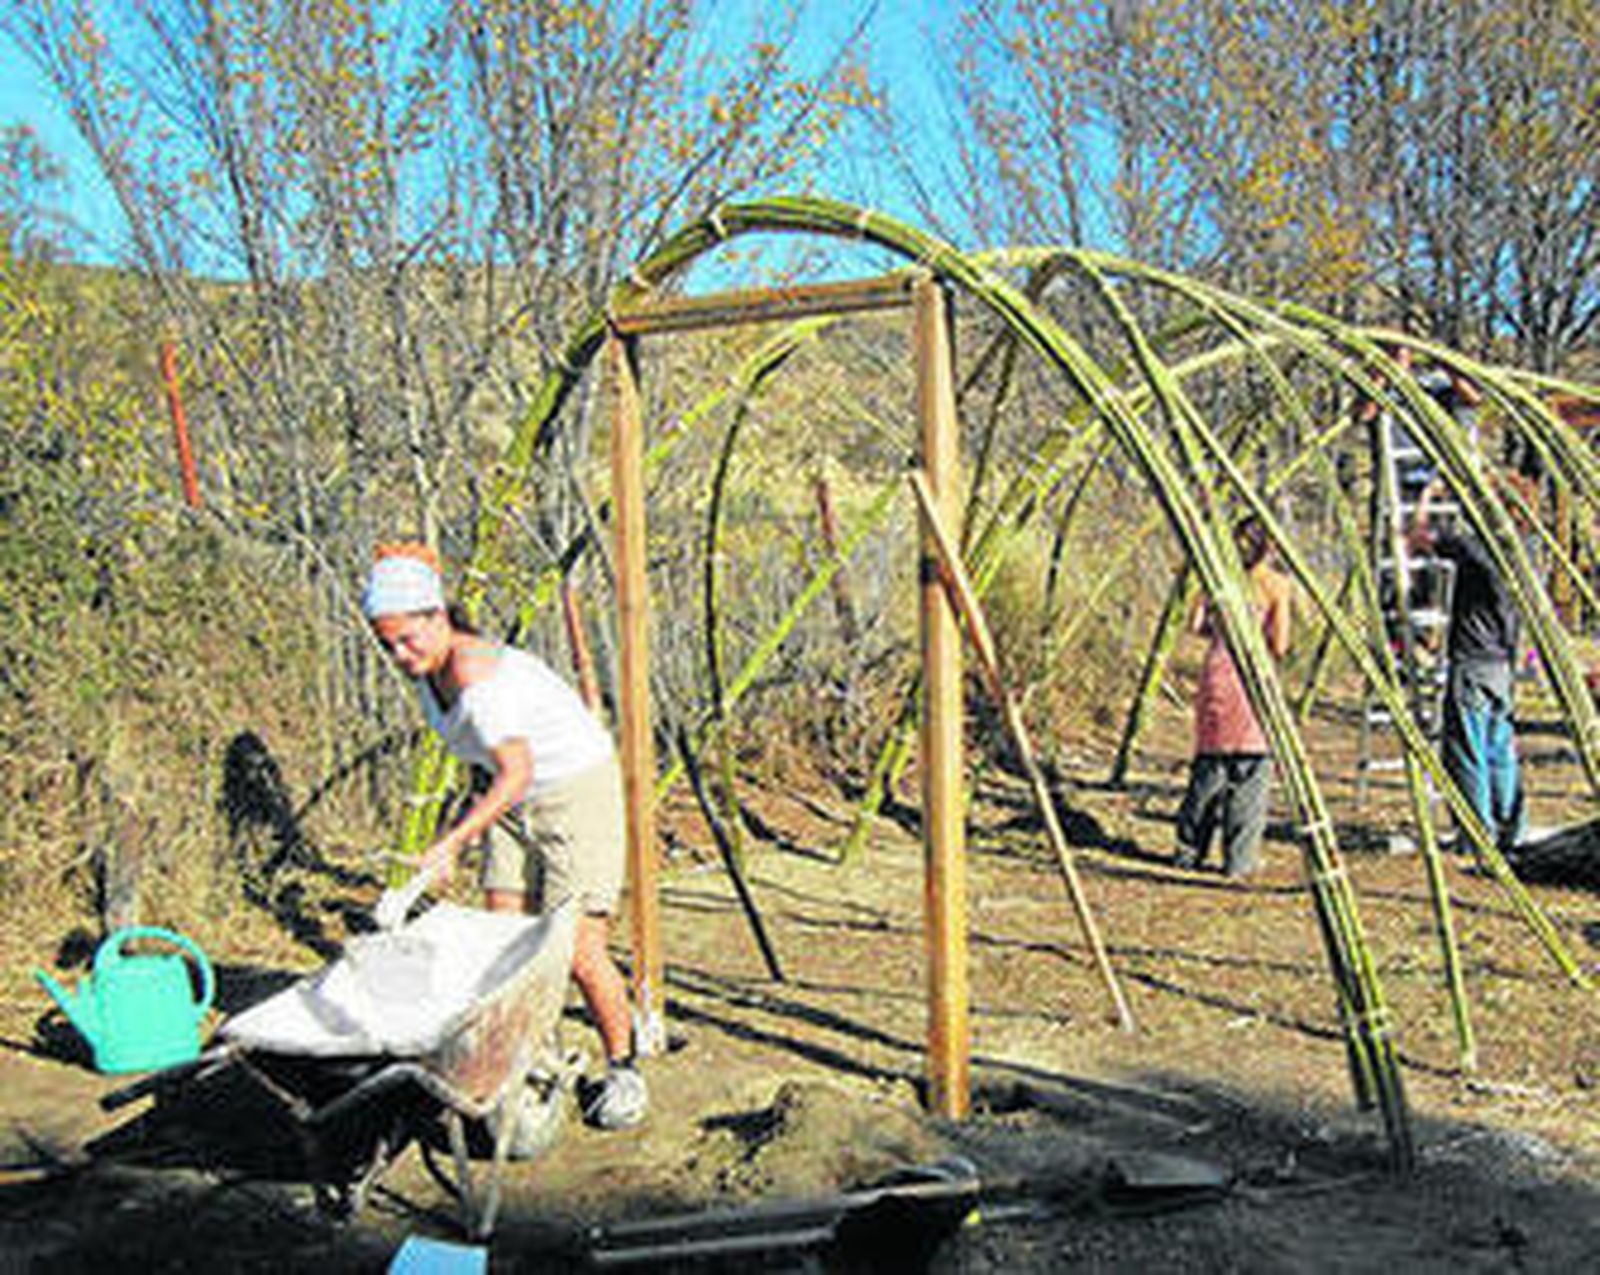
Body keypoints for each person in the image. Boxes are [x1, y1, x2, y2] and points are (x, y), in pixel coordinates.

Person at [362, 542, 647, 1130]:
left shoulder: (474, 672)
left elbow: (517, 771)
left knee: (576, 949)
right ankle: (528, 1059)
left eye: (408, 638)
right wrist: (462, 821)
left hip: (574, 791)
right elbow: (489, 765)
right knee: (506, 938)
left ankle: (625, 1068)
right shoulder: (425, 672)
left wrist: (451, 842)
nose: (399, 653)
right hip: (510, 794)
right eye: (387, 643)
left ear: (436, 617)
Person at [1408, 480, 1524, 853]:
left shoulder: (1475, 550)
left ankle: (1479, 835)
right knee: (1499, 748)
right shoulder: (1524, 553)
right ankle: (1509, 827)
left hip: (1473, 664)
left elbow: (1418, 538)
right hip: (1503, 666)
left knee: (1468, 750)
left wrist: (1426, 497)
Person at [1174, 517, 1293, 878]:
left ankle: (1188, 852)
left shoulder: (1219, 579)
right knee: (1251, 774)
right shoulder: (1276, 585)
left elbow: (1194, 624)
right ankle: (1239, 861)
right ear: (1270, 547)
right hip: (1253, 679)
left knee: (1209, 768)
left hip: (1218, 675)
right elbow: (1280, 644)